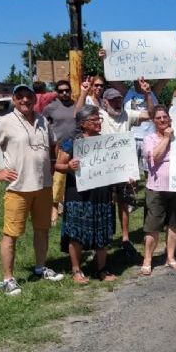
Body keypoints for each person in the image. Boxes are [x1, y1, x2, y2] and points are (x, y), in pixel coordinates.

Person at [0, 84, 64, 296]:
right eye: (20, 97)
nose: (25, 101)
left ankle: (41, 267)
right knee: (11, 234)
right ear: (14, 100)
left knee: (42, 229)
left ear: (34, 98)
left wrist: (52, 161)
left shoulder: (42, 120)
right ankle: (8, 279)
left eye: (28, 97)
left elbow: (53, 144)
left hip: (43, 185)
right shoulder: (5, 123)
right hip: (18, 188)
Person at [54, 105, 118, 283]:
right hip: (78, 193)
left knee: (103, 231)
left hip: (101, 193)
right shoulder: (73, 141)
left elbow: (115, 165)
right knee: (77, 232)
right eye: (94, 120)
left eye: (99, 119)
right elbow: (58, 165)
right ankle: (76, 270)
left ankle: (102, 269)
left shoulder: (106, 141)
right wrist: (68, 167)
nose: (98, 123)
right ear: (82, 123)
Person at [99, 81, 154, 263]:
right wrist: (85, 93)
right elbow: (77, 115)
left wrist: (147, 95)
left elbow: (150, 115)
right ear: (104, 102)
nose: (116, 103)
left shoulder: (127, 114)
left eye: (119, 100)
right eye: (113, 100)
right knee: (105, 204)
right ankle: (104, 239)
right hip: (103, 169)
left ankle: (125, 238)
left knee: (124, 203)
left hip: (123, 168)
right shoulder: (98, 115)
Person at [141, 105, 176, 275]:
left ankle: (170, 257)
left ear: (170, 119)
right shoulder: (149, 139)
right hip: (156, 188)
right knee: (153, 226)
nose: (163, 120)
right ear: (153, 121)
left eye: (165, 117)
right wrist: (167, 138)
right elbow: (155, 156)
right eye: (159, 118)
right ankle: (147, 259)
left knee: (174, 225)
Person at [42, 79, 76, 226]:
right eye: (61, 91)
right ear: (57, 92)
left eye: (67, 90)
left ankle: (70, 207)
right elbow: (44, 126)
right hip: (58, 149)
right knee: (57, 179)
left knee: (73, 179)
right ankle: (54, 210)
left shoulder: (77, 106)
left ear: (70, 91)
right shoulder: (50, 108)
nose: (64, 93)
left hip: (76, 147)